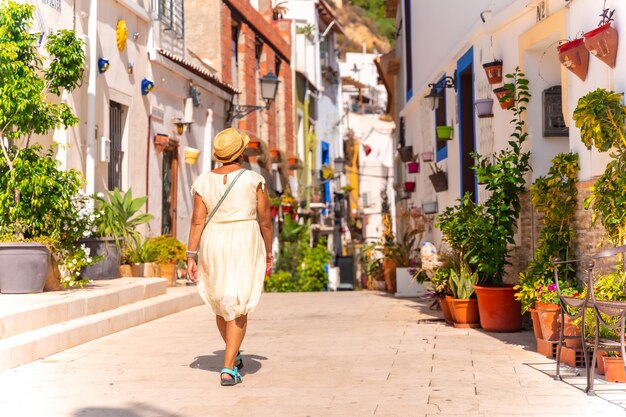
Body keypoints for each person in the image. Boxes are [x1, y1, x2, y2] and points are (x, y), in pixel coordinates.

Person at [186, 128, 273, 386]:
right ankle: (228, 367)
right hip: (244, 239)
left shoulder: (203, 181)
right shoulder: (253, 180)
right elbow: (266, 222)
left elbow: (196, 221)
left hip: (213, 240)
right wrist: (269, 252)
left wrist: (190, 255)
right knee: (238, 304)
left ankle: (232, 356)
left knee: (222, 302)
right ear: (242, 153)